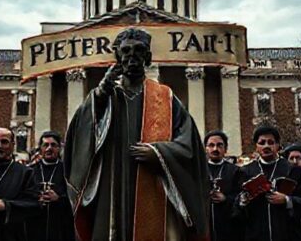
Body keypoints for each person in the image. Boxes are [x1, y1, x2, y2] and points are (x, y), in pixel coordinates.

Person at [64, 28, 210, 241]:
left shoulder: (166, 98)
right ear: (117, 56)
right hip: (111, 185)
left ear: (148, 58)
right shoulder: (104, 97)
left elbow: (191, 146)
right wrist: (101, 93)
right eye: (126, 51)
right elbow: (76, 139)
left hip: (154, 182)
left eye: (139, 51)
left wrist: (159, 153)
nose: (132, 57)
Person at [234, 126, 301, 241]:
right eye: (262, 143)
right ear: (256, 146)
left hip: (288, 234)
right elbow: (234, 208)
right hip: (256, 234)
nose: (266, 146)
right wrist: (242, 200)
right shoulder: (245, 171)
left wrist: (287, 200)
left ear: (278, 145)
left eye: (271, 142)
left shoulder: (294, 170)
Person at [26, 130, 74, 241]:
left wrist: (59, 198)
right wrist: (36, 198)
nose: (49, 148)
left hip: (60, 226)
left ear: (59, 148)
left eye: (53, 145)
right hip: (35, 226)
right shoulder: (30, 171)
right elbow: (24, 195)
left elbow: (76, 198)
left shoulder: (68, 170)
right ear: (40, 149)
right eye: (45, 145)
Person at [204, 130, 242, 241]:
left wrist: (226, 199)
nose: (215, 149)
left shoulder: (235, 171)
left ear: (225, 149)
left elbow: (241, 196)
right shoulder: (199, 171)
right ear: (206, 149)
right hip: (206, 226)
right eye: (211, 145)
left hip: (229, 227)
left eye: (219, 145)